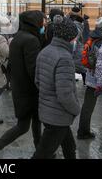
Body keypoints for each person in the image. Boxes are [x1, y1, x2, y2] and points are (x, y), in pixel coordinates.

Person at [0, 11, 45, 159]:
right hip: (30, 91)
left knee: (30, 125)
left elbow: (12, 64)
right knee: (26, 125)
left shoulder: (17, 38)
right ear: (35, 23)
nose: (44, 25)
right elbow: (33, 69)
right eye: (42, 21)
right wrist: (43, 85)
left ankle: (40, 152)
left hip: (20, 88)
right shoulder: (31, 40)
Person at [33, 16, 80, 159]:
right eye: (75, 37)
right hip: (58, 116)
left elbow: (38, 81)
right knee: (42, 154)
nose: (75, 41)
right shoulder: (64, 57)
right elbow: (64, 94)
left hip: (48, 112)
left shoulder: (45, 51)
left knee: (69, 147)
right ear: (69, 37)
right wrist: (76, 109)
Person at [68, 7, 87, 84]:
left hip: (76, 48)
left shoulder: (74, 24)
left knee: (74, 65)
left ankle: (84, 81)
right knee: (80, 66)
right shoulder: (82, 22)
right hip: (80, 47)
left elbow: (74, 40)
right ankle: (85, 81)